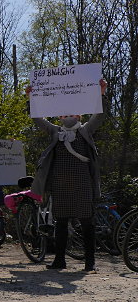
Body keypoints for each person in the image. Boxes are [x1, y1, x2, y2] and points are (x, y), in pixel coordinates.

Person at [27, 79, 108, 272]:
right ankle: (59, 260)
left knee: (87, 223)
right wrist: (31, 98)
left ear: (79, 115)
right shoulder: (55, 132)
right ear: (59, 116)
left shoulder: (86, 130)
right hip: (60, 185)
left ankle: (90, 262)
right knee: (61, 223)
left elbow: (100, 116)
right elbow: (38, 118)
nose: (68, 116)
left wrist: (102, 92)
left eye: (71, 114)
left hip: (82, 185)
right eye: (64, 114)